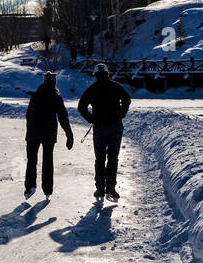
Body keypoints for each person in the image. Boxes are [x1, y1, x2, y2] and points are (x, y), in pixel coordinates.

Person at [78, 63, 131, 201]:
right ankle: (111, 187)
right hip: (115, 127)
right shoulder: (116, 86)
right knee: (113, 158)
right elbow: (127, 99)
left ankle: (100, 188)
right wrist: (121, 114)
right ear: (108, 73)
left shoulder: (93, 88)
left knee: (100, 159)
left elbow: (81, 107)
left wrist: (91, 119)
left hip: (100, 128)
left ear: (95, 74)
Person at [24, 71, 73, 198]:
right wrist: (69, 134)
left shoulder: (35, 96)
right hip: (48, 134)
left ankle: (30, 186)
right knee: (47, 161)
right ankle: (47, 190)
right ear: (54, 83)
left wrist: (29, 132)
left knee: (31, 160)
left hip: (33, 133)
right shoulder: (56, 97)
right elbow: (63, 117)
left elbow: (28, 115)